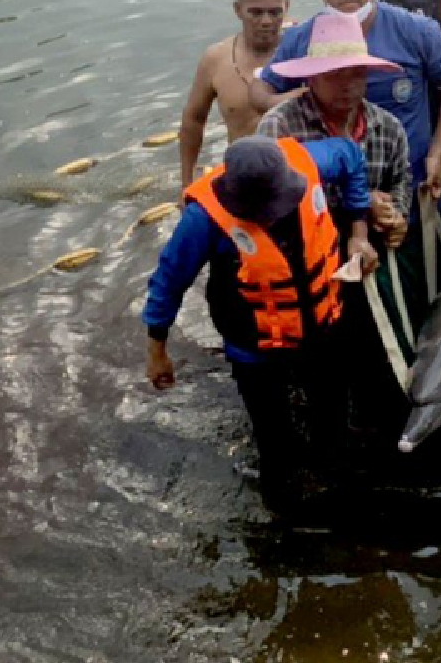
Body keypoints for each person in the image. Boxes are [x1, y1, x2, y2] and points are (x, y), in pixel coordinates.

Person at [145, 135, 378, 506]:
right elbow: (169, 280)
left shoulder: (310, 160)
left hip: (321, 328)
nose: (275, 213)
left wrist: (358, 230)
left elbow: (351, 157)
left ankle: (339, 498)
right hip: (254, 345)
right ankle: (282, 514)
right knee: (275, 445)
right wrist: (157, 348)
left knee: (333, 430)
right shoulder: (203, 220)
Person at [254, 0, 441, 200]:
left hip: (409, 186)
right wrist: (288, 100)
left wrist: (438, 150)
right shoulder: (302, 39)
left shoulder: (418, 31)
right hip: (331, 198)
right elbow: (260, 90)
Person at [257, 8, 414, 250]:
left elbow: (400, 183)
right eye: (334, 75)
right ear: (311, 78)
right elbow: (270, 209)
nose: (347, 86)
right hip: (306, 264)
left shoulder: (389, 128)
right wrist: (362, 203)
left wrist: (395, 217)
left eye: (356, 75)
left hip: (372, 258)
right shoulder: (279, 127)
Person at [178, 0, 289, 188]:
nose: (266, 21)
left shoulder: (302, 52)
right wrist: (186, 184)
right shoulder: (216, 60)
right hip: (241, 182)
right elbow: (193, 120)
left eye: (274, 12)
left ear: (286, 7)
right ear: (238, 10)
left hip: (294, 178)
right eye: (255, 13)